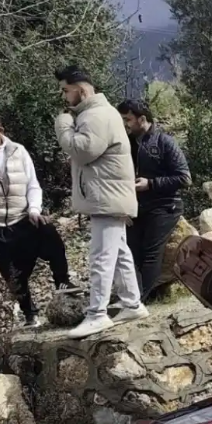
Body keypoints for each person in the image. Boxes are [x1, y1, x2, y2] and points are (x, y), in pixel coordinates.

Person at [53, 64, 148, 339]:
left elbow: (83, 151)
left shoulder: (95, 115)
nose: (64, 97)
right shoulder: (100, 113)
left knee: (101, 256)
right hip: (108, 195)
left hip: (106, 197)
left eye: (66, 90)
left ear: (80, 90)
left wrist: (63, 124)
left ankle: (97, 314)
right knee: (118, 253)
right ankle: (132, 303)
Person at [0, 110, 80, 327]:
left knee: (51, 236)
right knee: (12, 274)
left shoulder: (18, 151)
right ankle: (30, 314)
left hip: (22, 218)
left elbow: (32, 184)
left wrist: (34, 209)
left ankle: (63, 286)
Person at [117, 99, 191, 303]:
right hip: (135, 207)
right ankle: (133, 298)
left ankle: (142, 300)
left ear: (142, 119)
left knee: (151, 252)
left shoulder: (164, 142)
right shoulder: (127, 144)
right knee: (131, 253)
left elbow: (184, 178)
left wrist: (151, 184)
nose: (125, 124)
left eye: (128, 119)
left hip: (165, 205)